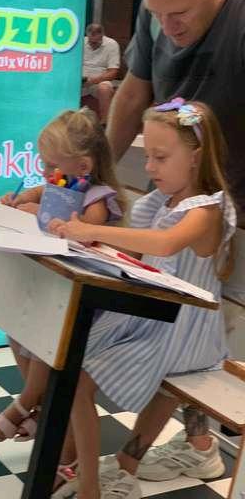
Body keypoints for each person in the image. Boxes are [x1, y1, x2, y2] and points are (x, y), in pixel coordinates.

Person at [106, 0, 245, 486]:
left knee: (217, 341)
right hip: (181, 202)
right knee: (190, 334)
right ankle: (199, 444)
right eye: (157, 12)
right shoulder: (156, 12)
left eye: (180, 13)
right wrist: (98, 182)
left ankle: (201, 445)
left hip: (232, 212)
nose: (168, 27)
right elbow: (132, 94)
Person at [49, 99, 236, 499]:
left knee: (76, 379)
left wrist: (90, 231)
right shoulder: (163, 202)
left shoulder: (206, 209)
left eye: (160, 157)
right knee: (70, 365)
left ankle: (92, 485)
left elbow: (165, 244)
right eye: (147, 155)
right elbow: (136, 253)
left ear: (196, 156)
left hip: (183, 328)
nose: (149, 167)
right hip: (158, 317)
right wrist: (88, 243)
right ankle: (103, 470)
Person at [0, 108, 125, 496]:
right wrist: (17, 200)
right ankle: (44, 409)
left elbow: (84, 233)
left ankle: (30, 402)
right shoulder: (59, 184)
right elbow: (33, 196)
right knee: (18, 331)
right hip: (56, 293)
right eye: (43, 164)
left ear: (83, 166)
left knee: (48, 345)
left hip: (87, 304)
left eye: (51, 165)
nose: (45, 172)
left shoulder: (97, 199)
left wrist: (40, 216)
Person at [81, 24, 120, 126]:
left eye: (96, 42)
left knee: (104, 89)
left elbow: (113, 72)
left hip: (100, 80)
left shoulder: (112, 44)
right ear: (87, 35)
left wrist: (92, 81)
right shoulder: (81, 42)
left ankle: (105, 123)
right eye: (91, 42)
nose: (93, 44)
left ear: (102, 35)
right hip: (82, 79)